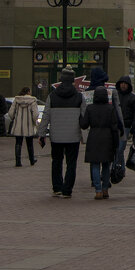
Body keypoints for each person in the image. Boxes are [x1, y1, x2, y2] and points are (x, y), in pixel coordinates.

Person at [37, 68, 86, 198]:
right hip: (73, 136)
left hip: (56, 136)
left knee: (56, 161)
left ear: (61, 80)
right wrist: (84, 136)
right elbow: (83, 117)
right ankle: (67, 189)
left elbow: (46, 115)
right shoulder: (79, 97)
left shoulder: (52, 96)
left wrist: (41, 134)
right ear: (73, 81)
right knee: (71, 163)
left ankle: (57, 187)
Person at [81, 87, 123, 200]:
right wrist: (116, 143)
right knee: (106, 165)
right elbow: (114, 127)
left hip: (94, 137)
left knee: (95, 165)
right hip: (108, 138)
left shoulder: (90, 108)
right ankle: (105, 189)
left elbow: (84, 125)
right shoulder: (110, 109)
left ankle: (98, 190)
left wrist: (80, 116)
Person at [113, 77, 135, 170]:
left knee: (120, 148)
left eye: (125, 83)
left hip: (126, 126)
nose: (123, 85)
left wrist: (134, 127)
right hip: (115, 125)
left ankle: (117, 168)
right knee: (116, 149)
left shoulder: (133, 97)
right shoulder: (115, 95)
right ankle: (121, 169)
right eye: (122, 83)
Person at [9, 87, 40, 166]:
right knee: (30, 143)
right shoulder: (32, 100)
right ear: (29, 92)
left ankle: (18, 161)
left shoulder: (16, 100)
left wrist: (13, 118)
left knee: (18, 143)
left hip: (18, 125)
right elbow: (35, 114)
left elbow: (11, 112)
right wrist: (34, 121)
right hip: (29, 125)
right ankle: (32, 160)